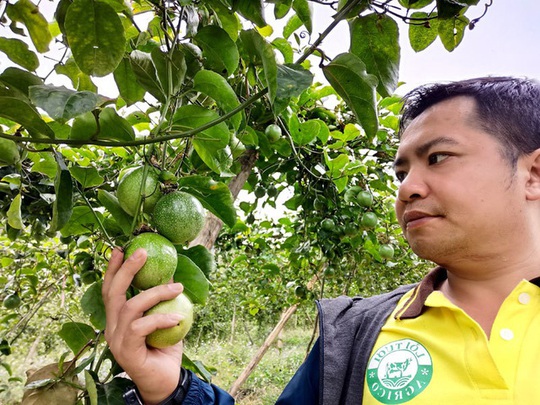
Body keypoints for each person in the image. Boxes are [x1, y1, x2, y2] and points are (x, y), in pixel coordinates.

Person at [103, 76, 540, 404]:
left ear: (533, 174)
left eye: (438, 157)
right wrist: (171, 389)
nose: (407, 188)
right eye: (401, 173)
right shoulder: (354, 336)